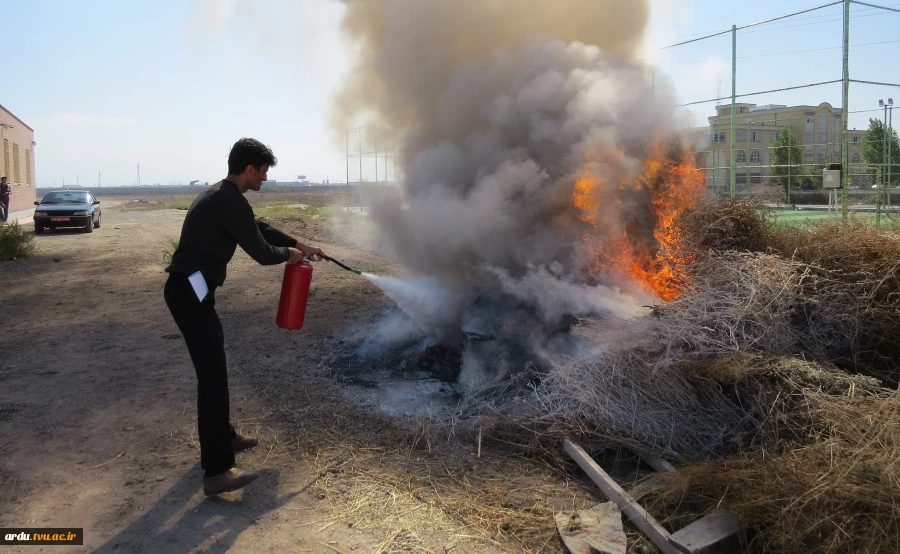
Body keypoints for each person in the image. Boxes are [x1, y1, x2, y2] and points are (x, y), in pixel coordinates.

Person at [164, 138, 325, 495]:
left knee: (215, 372)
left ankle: (224, 437)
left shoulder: (223, 196)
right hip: (189, 295)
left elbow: (259, 228)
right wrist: (289, 255)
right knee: (212, 380)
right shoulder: (227, 201)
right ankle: (217, 472)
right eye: (264, 172)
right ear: (249, 169)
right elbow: (263, 252)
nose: (265, 179)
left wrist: (302, 245)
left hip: (192, 292)